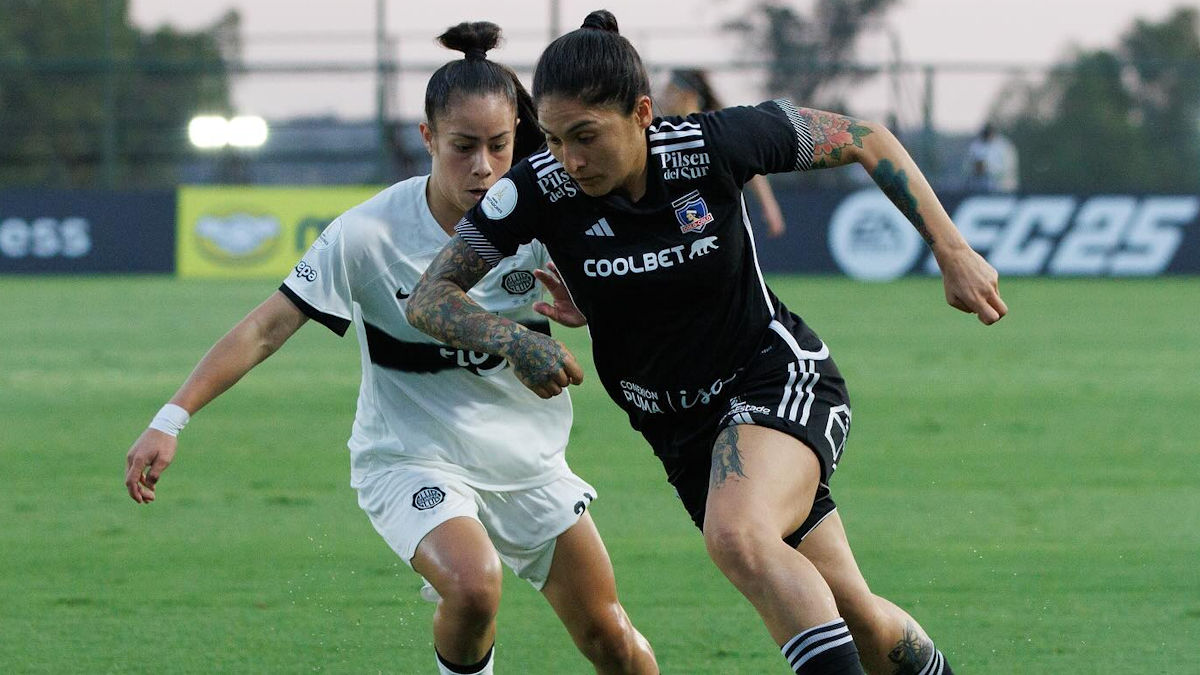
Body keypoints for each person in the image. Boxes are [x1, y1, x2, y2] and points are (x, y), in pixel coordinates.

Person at [405, 10, 1008, 675]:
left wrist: (952, 250)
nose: (570, 159)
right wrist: (514, 341)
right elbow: (430, 297)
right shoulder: (537, 188)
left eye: (586, 136)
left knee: (738, 534)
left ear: (642, 113)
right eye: (551, 138)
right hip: (681, 433)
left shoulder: (712, 145)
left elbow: (867, 138)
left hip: (772, 377)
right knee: (854, 613)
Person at [123, 22, 658, 675]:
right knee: (473, 585)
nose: (483, 166)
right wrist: (170, 418)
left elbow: (638, 304)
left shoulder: (547, 217)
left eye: (498, 145)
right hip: (410, 459)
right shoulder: (368, 234)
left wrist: (595, 310)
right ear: (428, 137)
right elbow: (266, 327)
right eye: (462, 146)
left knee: (613, 641)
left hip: (528, 463)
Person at [657, 68, 788, 238]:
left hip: (716, 223)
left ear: (688, 96)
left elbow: (748, 163)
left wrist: (770, 206)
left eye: (670, 92)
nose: (664, 98)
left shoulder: (715, 130)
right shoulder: (665, 132)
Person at [965, 122, 1019, 193]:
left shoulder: (1004, 146)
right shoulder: (975, 146)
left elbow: (1009, 168)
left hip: (1003, 189)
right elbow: (968, 166)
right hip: (980, 189)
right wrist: (977, 169)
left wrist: (988, 168)